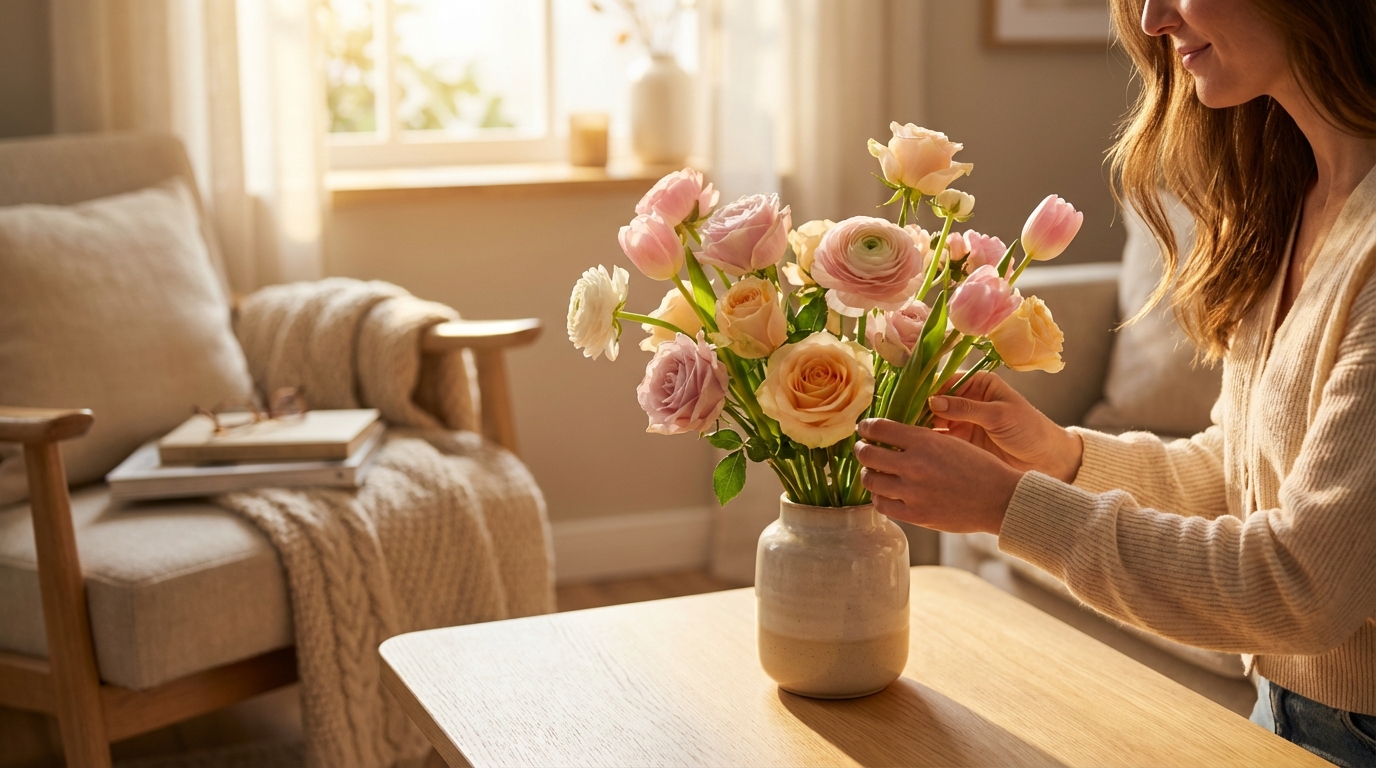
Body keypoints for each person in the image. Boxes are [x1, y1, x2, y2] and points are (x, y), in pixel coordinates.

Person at [852, 0, 1376, 764]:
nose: (1156, 18)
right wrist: (1059, 456)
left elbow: (1302, 587)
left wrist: (1007, 506)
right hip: (1290, 714)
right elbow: (1237, 471)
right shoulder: (1297, 199)